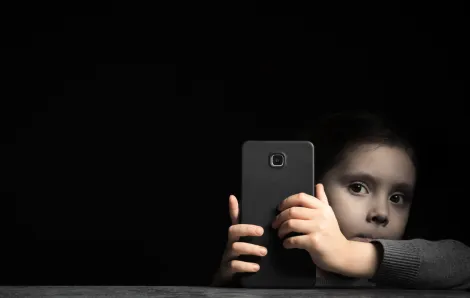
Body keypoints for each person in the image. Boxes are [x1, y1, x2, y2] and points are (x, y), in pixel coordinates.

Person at [210, 110, 470, 290]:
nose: (381, 213)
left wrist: (348, 255)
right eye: (358, 187)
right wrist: (226, 286)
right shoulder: (269, 275)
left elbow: (462, 261)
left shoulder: (401, 278)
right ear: (307, 189)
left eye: (397, 197)